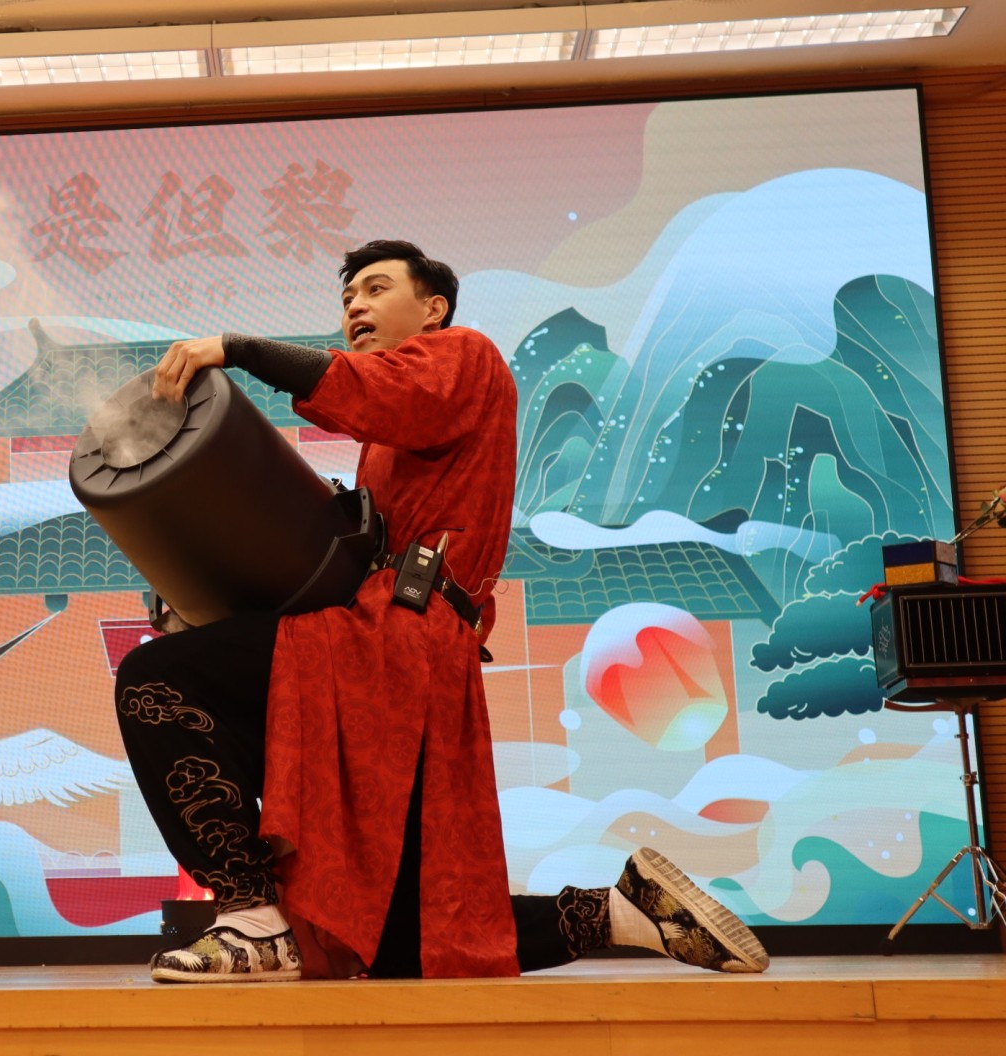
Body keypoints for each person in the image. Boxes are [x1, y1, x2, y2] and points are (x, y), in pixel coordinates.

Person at [116, 239, 768, 982]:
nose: (355, 306)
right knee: (404, 935)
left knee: (158, 679)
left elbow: (373, 392)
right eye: (348, 297)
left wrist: (237, 348)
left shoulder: (465, 356)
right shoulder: (390, 439)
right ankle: (623, 910)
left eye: (375, 288)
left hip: (390, 642)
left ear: (433, 309)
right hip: (401, 652)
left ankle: (255, 919)